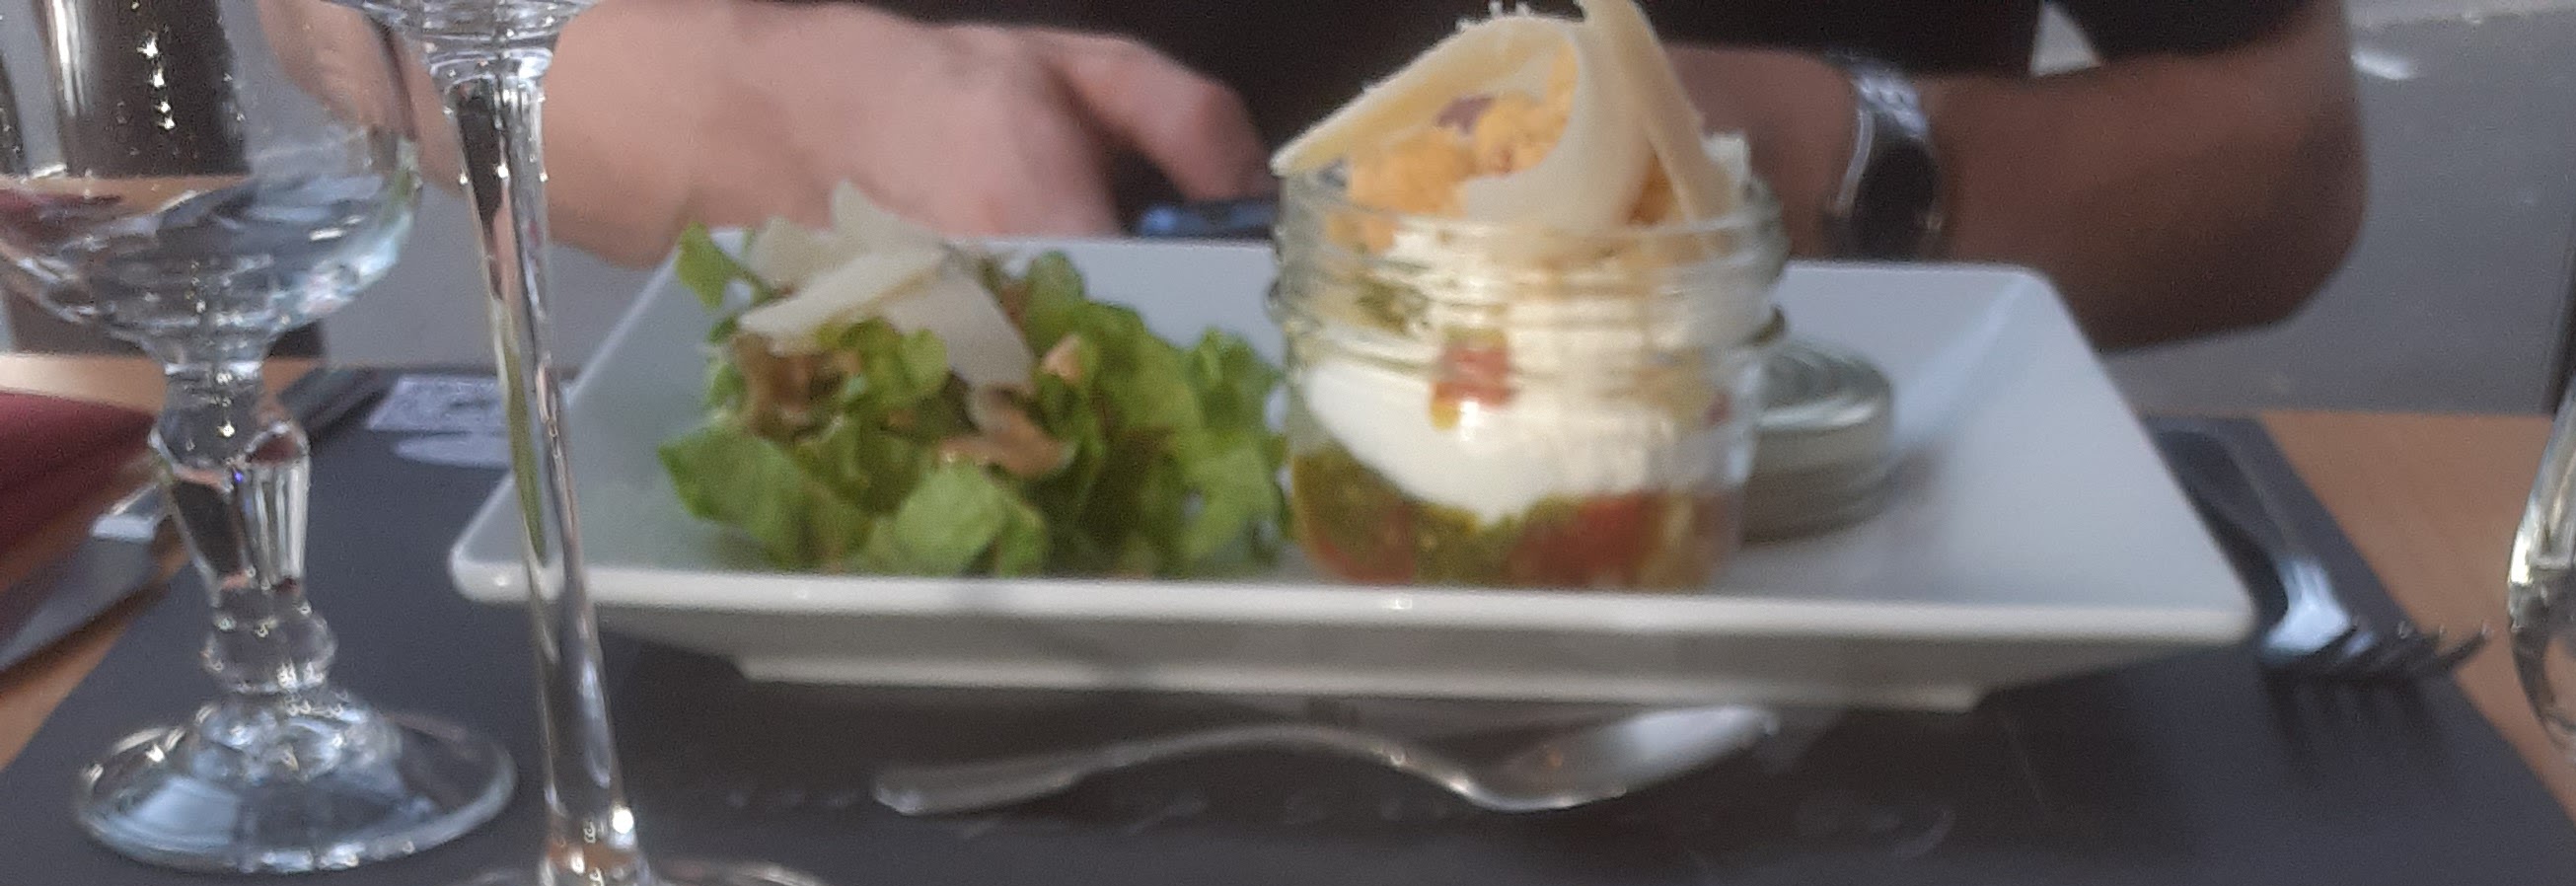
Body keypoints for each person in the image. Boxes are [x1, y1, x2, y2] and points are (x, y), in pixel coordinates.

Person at [514, 0, 2365, 347]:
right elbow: (363, 32)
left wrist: (1865, 166)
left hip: (1799, 655)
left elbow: (2289, 154)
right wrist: (701, 79)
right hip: (867, 686)